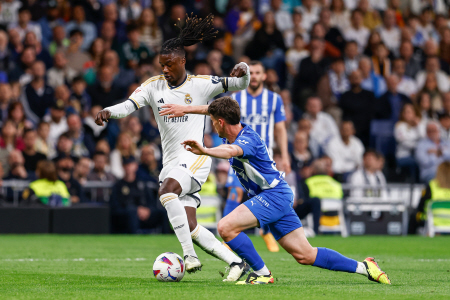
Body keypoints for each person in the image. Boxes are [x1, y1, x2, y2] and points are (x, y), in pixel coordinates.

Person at [94, 14, 250, 280]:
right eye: (161, 65)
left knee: (166, 192)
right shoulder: (153, 87)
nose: (164, 70)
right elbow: (129, 106)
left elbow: (240, 84)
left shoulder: (201, 84)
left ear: (182, 61)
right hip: (172, 161)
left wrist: (243, 69)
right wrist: (109, 111)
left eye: (169, 64)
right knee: (190, 225)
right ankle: (236, 263)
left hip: (196, 156)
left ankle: (189, 256)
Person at [179, 96, 390, 285]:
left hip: (272, 196)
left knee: (226, 227)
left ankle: (261, 273)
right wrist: (184, 109)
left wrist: (205, 150)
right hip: (277, 195)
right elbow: (212, 110)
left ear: (221, 122)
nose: (213, 126)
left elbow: (231, 151)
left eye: (214, 122)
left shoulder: (246, 139)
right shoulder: (232, 128)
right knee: (305, 255)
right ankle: (365, 267)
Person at [110, 156, 167, 234]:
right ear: (123, 167)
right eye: (126, 165)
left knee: (163, 213)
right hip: (127, 216)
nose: (128, 167)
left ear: (136, 166)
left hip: (145, 214)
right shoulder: (118, 186)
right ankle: (134, 239)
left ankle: (166, 238)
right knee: (132, 213)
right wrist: (136, 210)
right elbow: (116, 207)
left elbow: (151, 202)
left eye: (131, 165)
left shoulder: (142, 184)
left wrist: (148, 210)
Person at [408, 161, 450, 234]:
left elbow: (420, 206)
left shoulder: (432, 186)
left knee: (414, 216)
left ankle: (409, 241)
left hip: (434, 221)